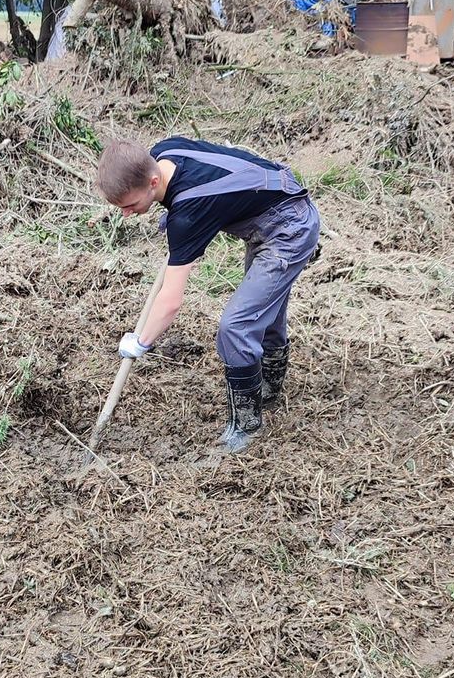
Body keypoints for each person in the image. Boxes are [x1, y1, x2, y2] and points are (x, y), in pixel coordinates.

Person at [97, 135, 320, 452]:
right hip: (274, 205)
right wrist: (170, 206)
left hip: (288, 229)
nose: (127, 214)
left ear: (153, 180)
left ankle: (246, 426)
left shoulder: (188, 215)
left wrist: (141, 341)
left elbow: (171, 302)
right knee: (262, 316)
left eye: (131, 205)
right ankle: (268, 392)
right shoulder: (164, 151)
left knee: (237, 326)